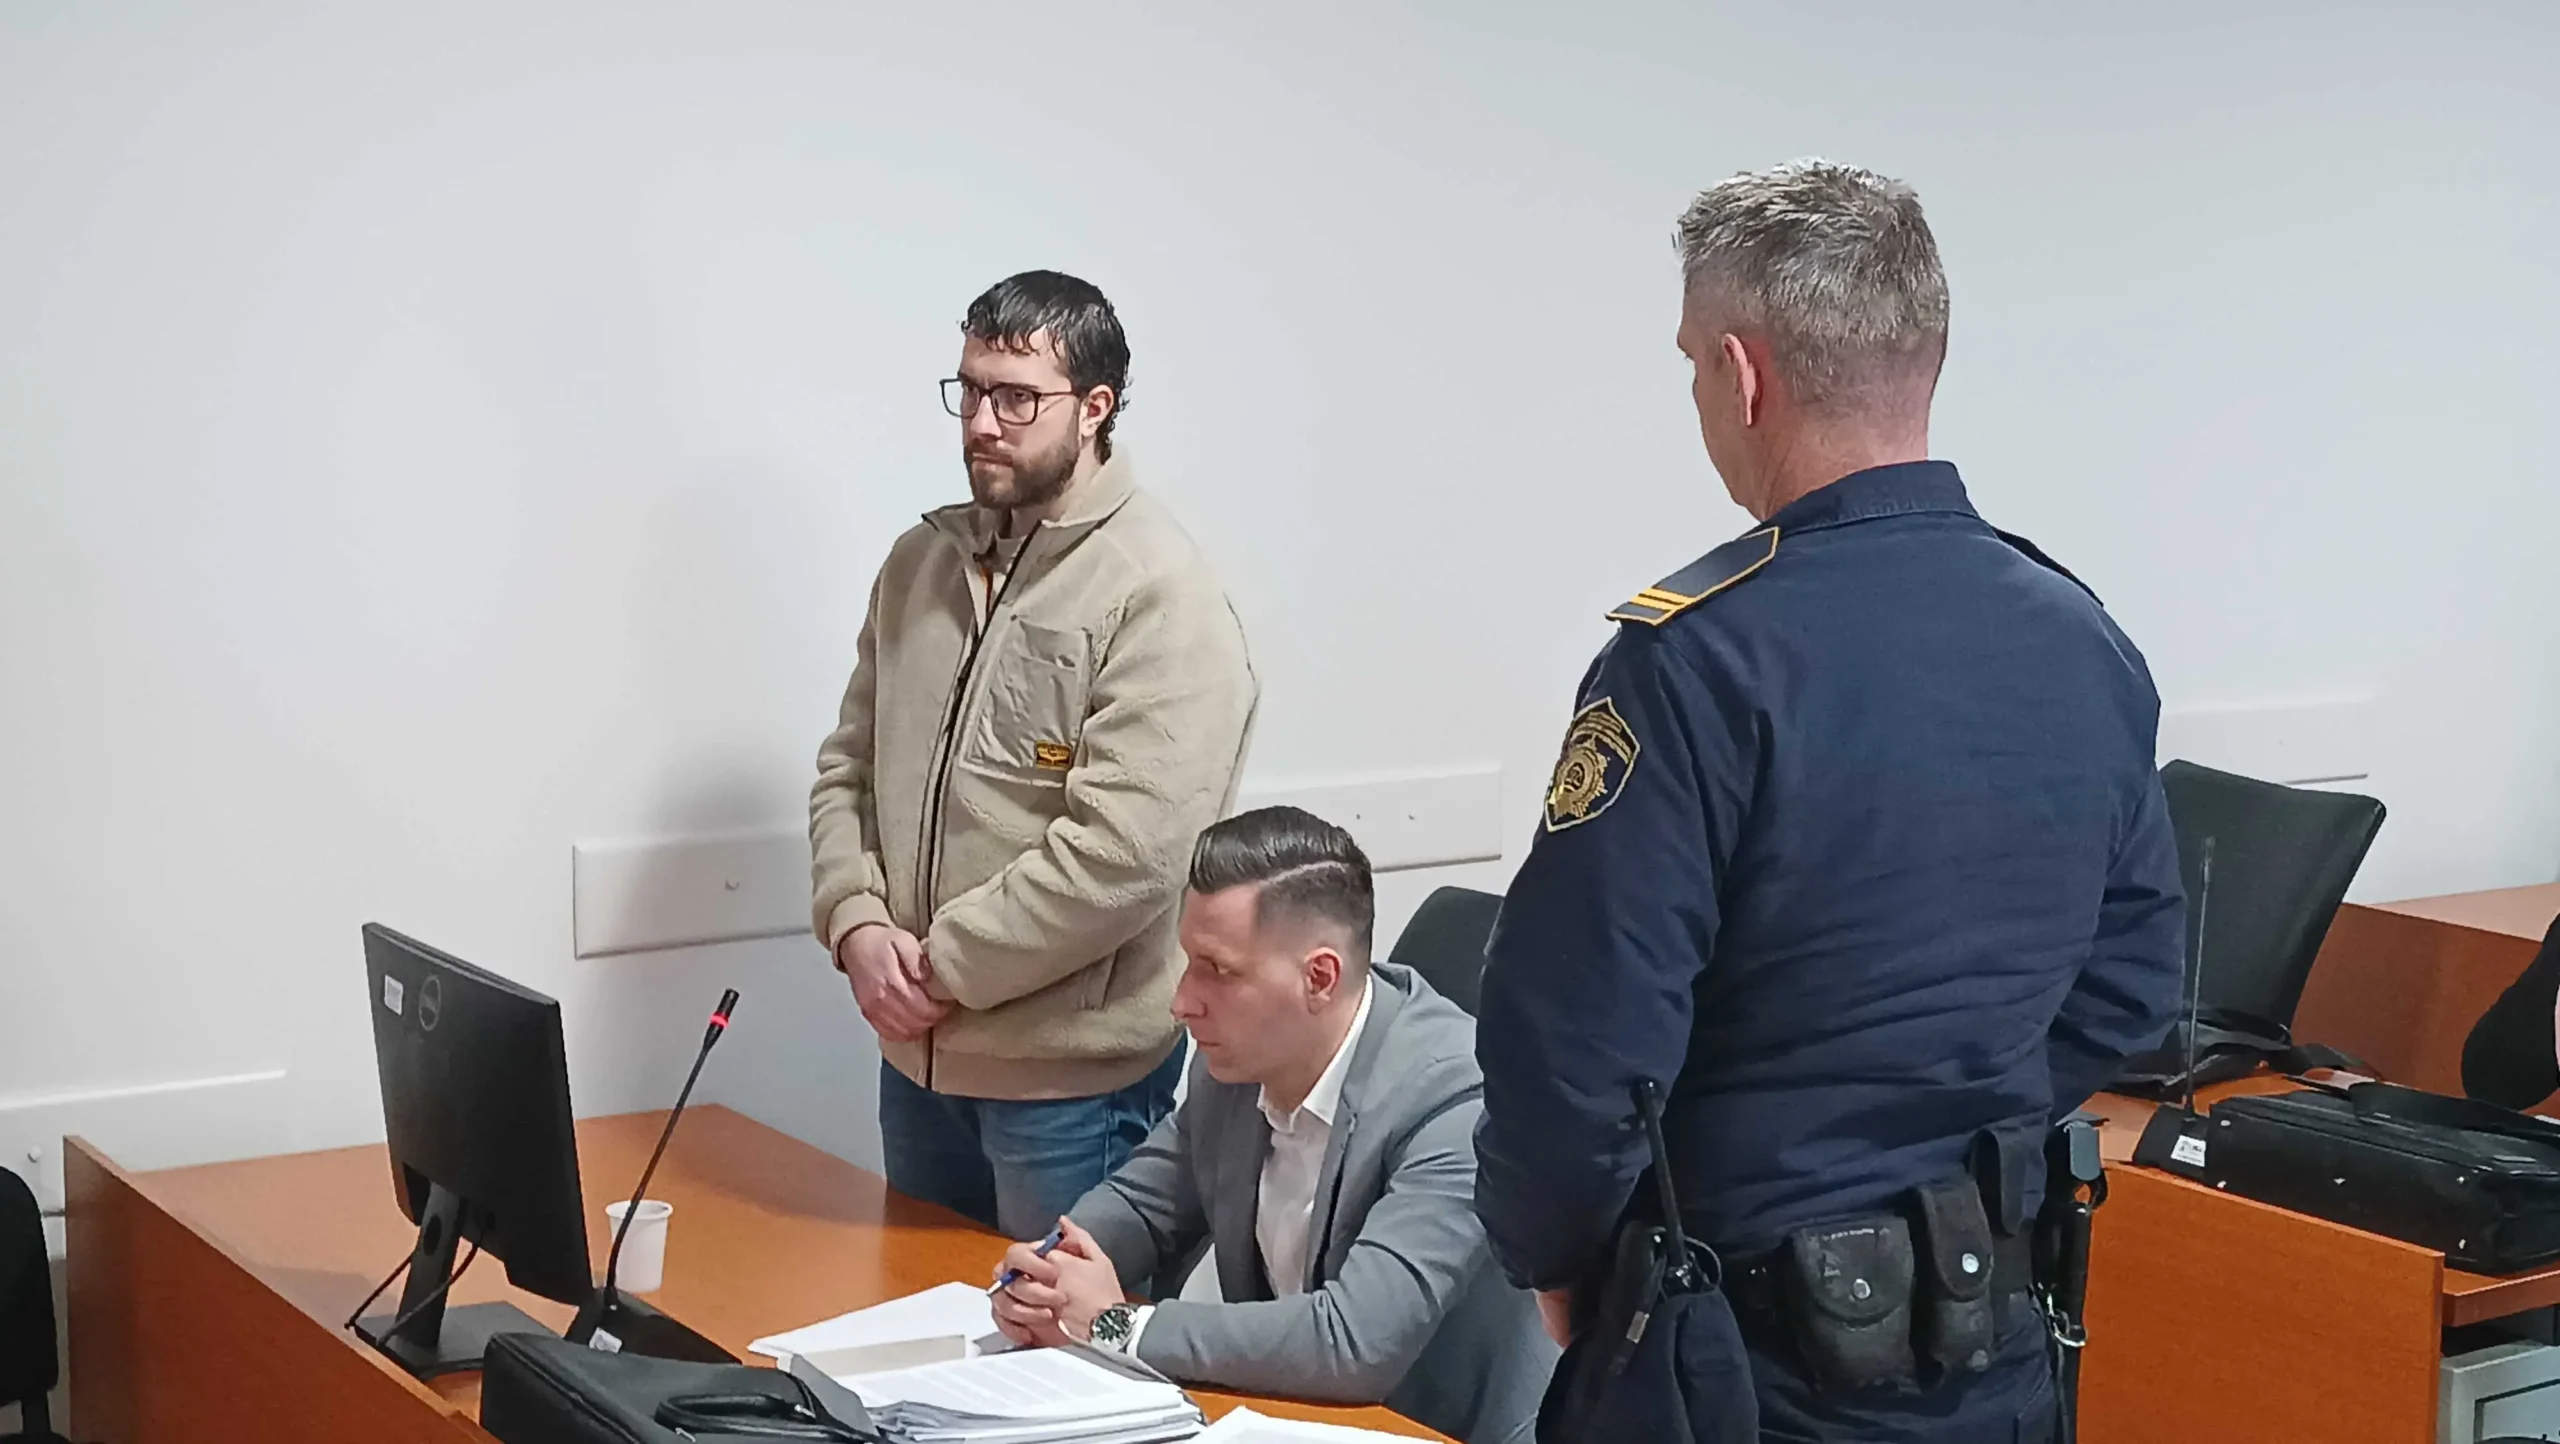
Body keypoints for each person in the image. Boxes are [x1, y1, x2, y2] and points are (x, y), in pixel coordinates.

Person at [1472, 160, 2188, 1442]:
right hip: (1991, 1342)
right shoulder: (2080, 639)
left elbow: (1577, 1043)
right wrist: (1952, 1123)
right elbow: (2134, 983)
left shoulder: (1695, 659)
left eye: (1691, 364)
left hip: (1743, 1359)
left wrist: (1560, 1254)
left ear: (1741, 374)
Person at [808, 270, 1257, 1239]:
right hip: (918, 1067)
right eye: (970, 390)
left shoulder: (1158, 591)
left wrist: (938, 968)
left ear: (1095, 408)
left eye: (1016, 398)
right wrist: (855, 924)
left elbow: (1126, 853)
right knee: (919, 1329)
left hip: (1071, 1095)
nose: (981, 423)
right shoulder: (919, 564)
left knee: (1062, 1337)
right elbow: (848, 769)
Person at [989, 807, 1553, 1444]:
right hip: (1297, 1416)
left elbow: (1354, 1342)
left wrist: (1113, 1324)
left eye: (1218, 969)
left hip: (1442, 1429)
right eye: (1188, 961)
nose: (1182, 1001)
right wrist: (1044, 1273)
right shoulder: (1236, 1066)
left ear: (1319, 978)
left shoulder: (1457, 1100)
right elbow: (1143, 1205)